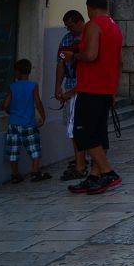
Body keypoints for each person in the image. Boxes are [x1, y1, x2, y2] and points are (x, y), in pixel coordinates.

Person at [68, 0, 123, 195]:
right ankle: (94, 175)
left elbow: (91, 55)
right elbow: (118, 61)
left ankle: (108, 172)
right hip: (106, 88)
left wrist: (74, 56)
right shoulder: (115, 27)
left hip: (91, 87)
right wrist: (114, 89)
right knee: (99, 133)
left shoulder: (93, 25)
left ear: (90, 8)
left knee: (83, 133)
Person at [4, 58, 48, 183]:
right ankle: (35, 172)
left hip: (14, 124)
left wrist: (10, 112)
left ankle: (15, 175)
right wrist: (43, 116)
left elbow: (5, 104)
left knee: (13, 151)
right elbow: (38, 102)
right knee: (34, 149)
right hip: (28, 123)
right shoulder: (33, 86)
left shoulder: (12, 87)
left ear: (18, 72)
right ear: (28, 72)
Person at [54, 10, 85, 180]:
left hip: (84, 90)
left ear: (79, 22)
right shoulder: (66, 40)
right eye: (67, 27)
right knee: (72, 127)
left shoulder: (89, 38)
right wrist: (58, 87)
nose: (69, 29)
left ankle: (83, 165)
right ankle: (79, 160)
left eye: (71, 26)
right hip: (70, 87)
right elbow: (60, 63)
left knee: (79, 128)